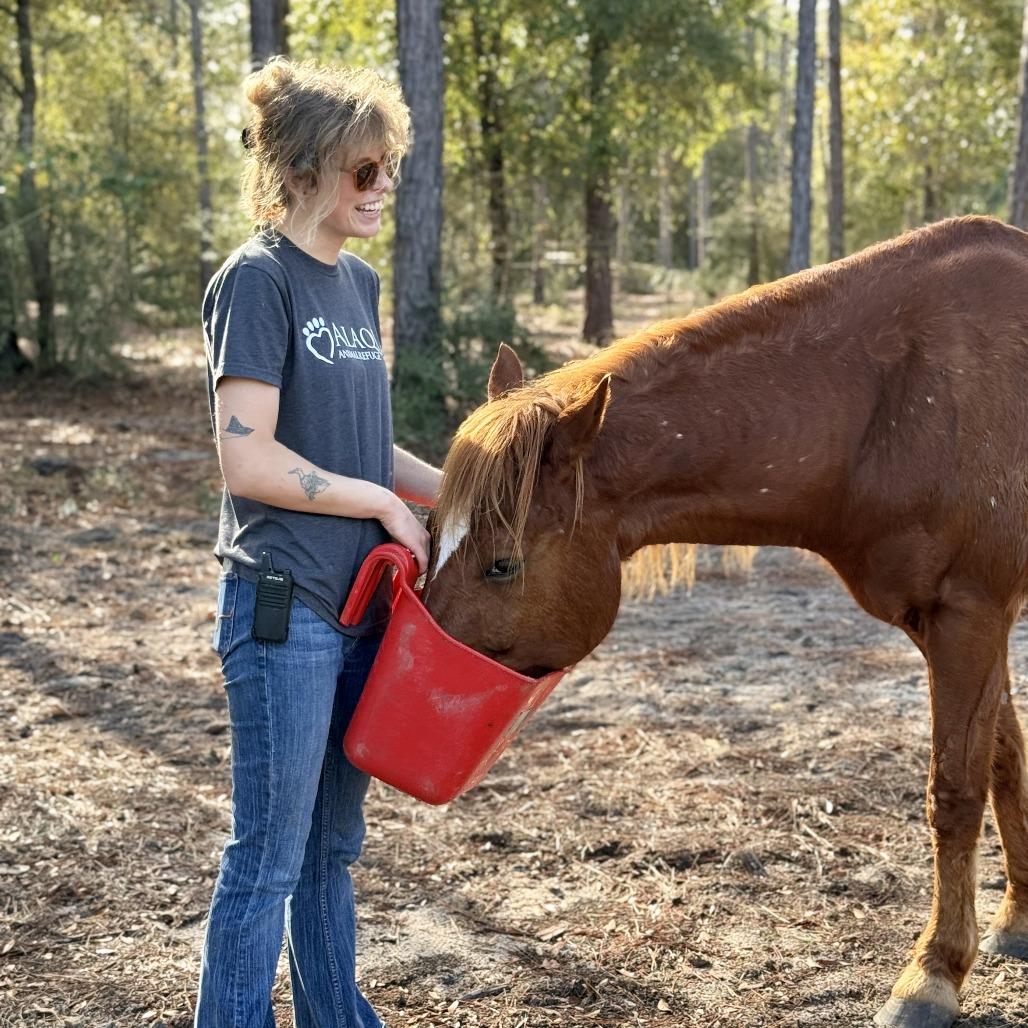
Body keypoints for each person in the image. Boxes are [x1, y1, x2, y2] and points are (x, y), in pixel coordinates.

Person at [196, 57, 441, 1027]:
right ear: (304, 168)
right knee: (267, 853)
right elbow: (248, 458)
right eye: (363, 169)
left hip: (356, 615)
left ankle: (337, 1013)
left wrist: (461, 482)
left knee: (332, 846)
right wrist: (381, 503)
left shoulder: (358, 282)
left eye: (387, 169)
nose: (381, 187)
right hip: (280, 603)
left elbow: (357, 435)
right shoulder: (255, 281)